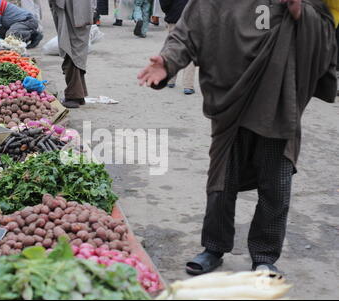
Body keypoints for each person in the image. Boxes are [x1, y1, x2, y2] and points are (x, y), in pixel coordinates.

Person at [138, 0, 337, 275]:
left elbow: (327, 30)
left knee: (276, 186)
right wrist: (168, 62)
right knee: (222, 180)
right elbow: (186, 32)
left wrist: (299, 12)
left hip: (276, 102)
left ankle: (264, 256)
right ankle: (213, 247)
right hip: (229, 100)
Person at [49, 0, 92, 109]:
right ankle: (79, 94)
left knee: (72, 55)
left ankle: (74, 96)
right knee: (76, 56)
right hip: (81, 18)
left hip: (74, 18)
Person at [160, 0, 196, 95]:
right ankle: (188, 85)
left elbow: (164, 3)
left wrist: (169, 12)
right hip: (192, 18)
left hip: (174, 16)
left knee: (173, 48)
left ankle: (170, 79)